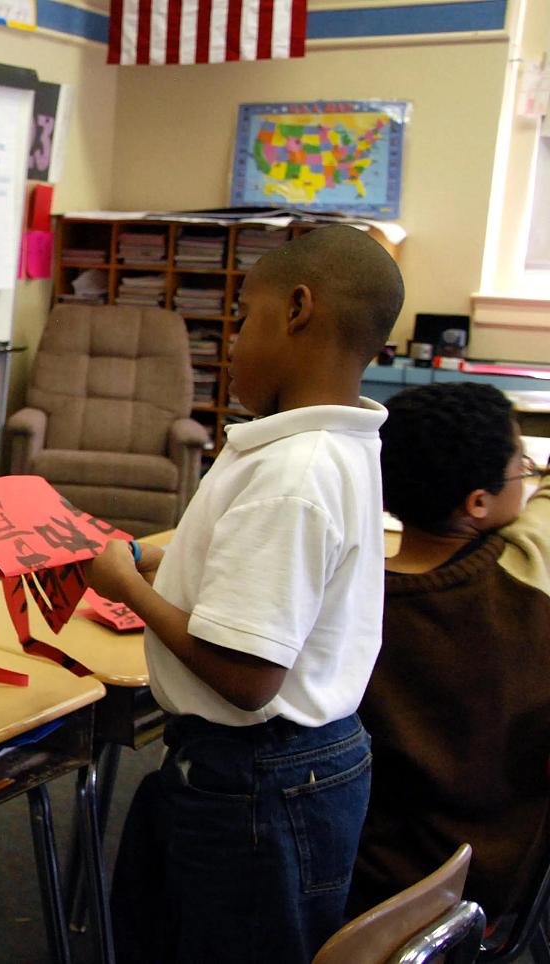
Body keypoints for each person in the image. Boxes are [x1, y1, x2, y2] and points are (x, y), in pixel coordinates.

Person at [83, 224, 403, 962]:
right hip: (285, 768)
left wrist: (129, 586)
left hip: (258, 774)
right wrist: (176, 555)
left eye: (242, 319)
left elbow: (249, 677)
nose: (231, 342)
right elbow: (286, 573)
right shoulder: (331, 445)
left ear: (297, 309)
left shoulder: (291, 475)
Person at [350, 382, 550, 929]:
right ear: (478, 503)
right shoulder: (525, 570)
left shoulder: (349, 599)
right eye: (522, 466)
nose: (530, 473)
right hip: (499, 881)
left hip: (369, 890)